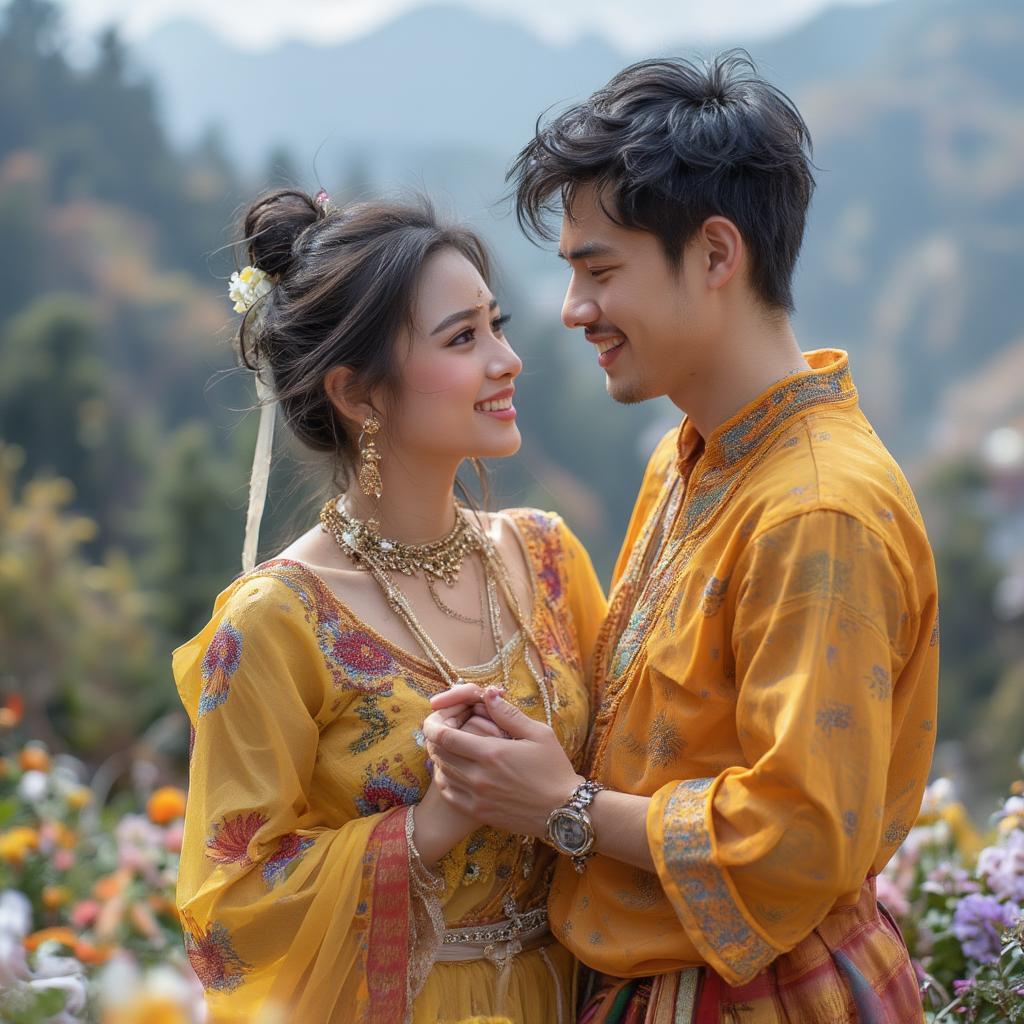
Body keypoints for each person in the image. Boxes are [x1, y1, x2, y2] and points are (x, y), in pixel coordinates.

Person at [424, 53, 939, 1022]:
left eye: (598, 270)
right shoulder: (687, 457)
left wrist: (563, 808)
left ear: (714, 254)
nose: (573, 310)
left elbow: (797, 835)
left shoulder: (816, 510)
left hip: (764, 994)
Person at [172, 189, 606, 1024]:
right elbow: (228, 919)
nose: (506, 359)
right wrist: (431, 823)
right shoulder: (276, 623)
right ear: (358, 394)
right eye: (462, 338)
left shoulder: (547, 556)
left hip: (571, 995)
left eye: (497, 324)